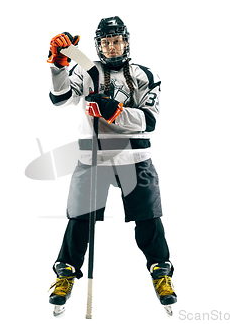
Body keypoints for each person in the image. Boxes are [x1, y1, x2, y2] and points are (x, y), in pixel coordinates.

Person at [46, 16, 176, 315]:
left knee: (148, 218)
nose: (112, 46)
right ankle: (65, 272)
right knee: (79, 219)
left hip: (135, 158)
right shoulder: (87, 70)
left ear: (126, 42)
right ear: (99, 45)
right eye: (106, 41)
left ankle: (161, 271)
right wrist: (58, 65)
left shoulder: (144, 74)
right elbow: (60, 98)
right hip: (92, 157)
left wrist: (115, 112)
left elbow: (150, 120)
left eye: (116, 40)